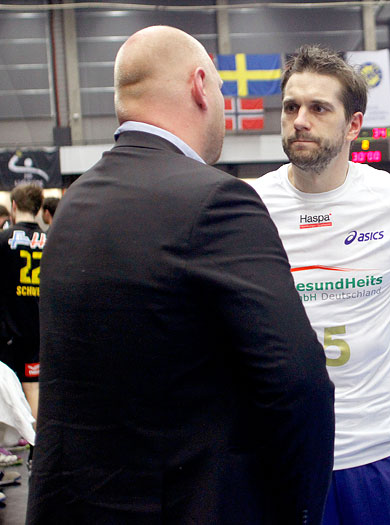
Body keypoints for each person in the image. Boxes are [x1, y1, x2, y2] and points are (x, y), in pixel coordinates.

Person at [27, 26, 334, 524]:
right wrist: (296, 511)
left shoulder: (76, 202)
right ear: (199, 86)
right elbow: (299, 384)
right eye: (219, 88)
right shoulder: (217, 199)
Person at [250, 45, 390, 525]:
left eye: (318, 108)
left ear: (353, 126)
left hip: (386, 455)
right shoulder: (246, 207)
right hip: (288, 457)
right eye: (291, 107)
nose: (300, 120)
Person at [0, 183, 45, 423]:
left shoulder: (4, 239)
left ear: (14, 207)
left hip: (6, 329)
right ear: (38, 210)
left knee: (2, 391)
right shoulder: (51, 239)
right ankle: (36, 452)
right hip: (37, 327)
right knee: (33, 389)